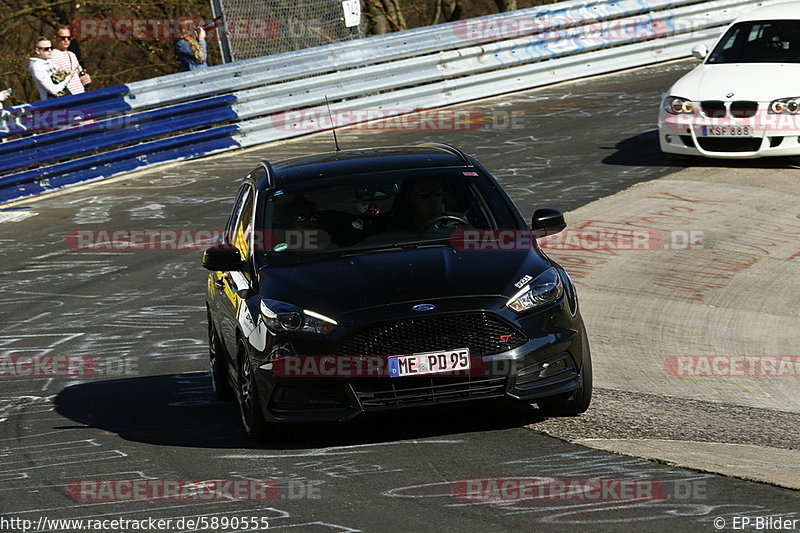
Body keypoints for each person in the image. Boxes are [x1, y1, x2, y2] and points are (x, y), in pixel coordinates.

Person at [50, 26, 91, 95]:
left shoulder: (72, 55)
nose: (66, 40)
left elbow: (78, 75)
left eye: (68, 38)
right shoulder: (52, 56)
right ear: (55, 38)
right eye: (63, 38)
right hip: (67, 96)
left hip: (81, 93)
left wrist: (85, 78)